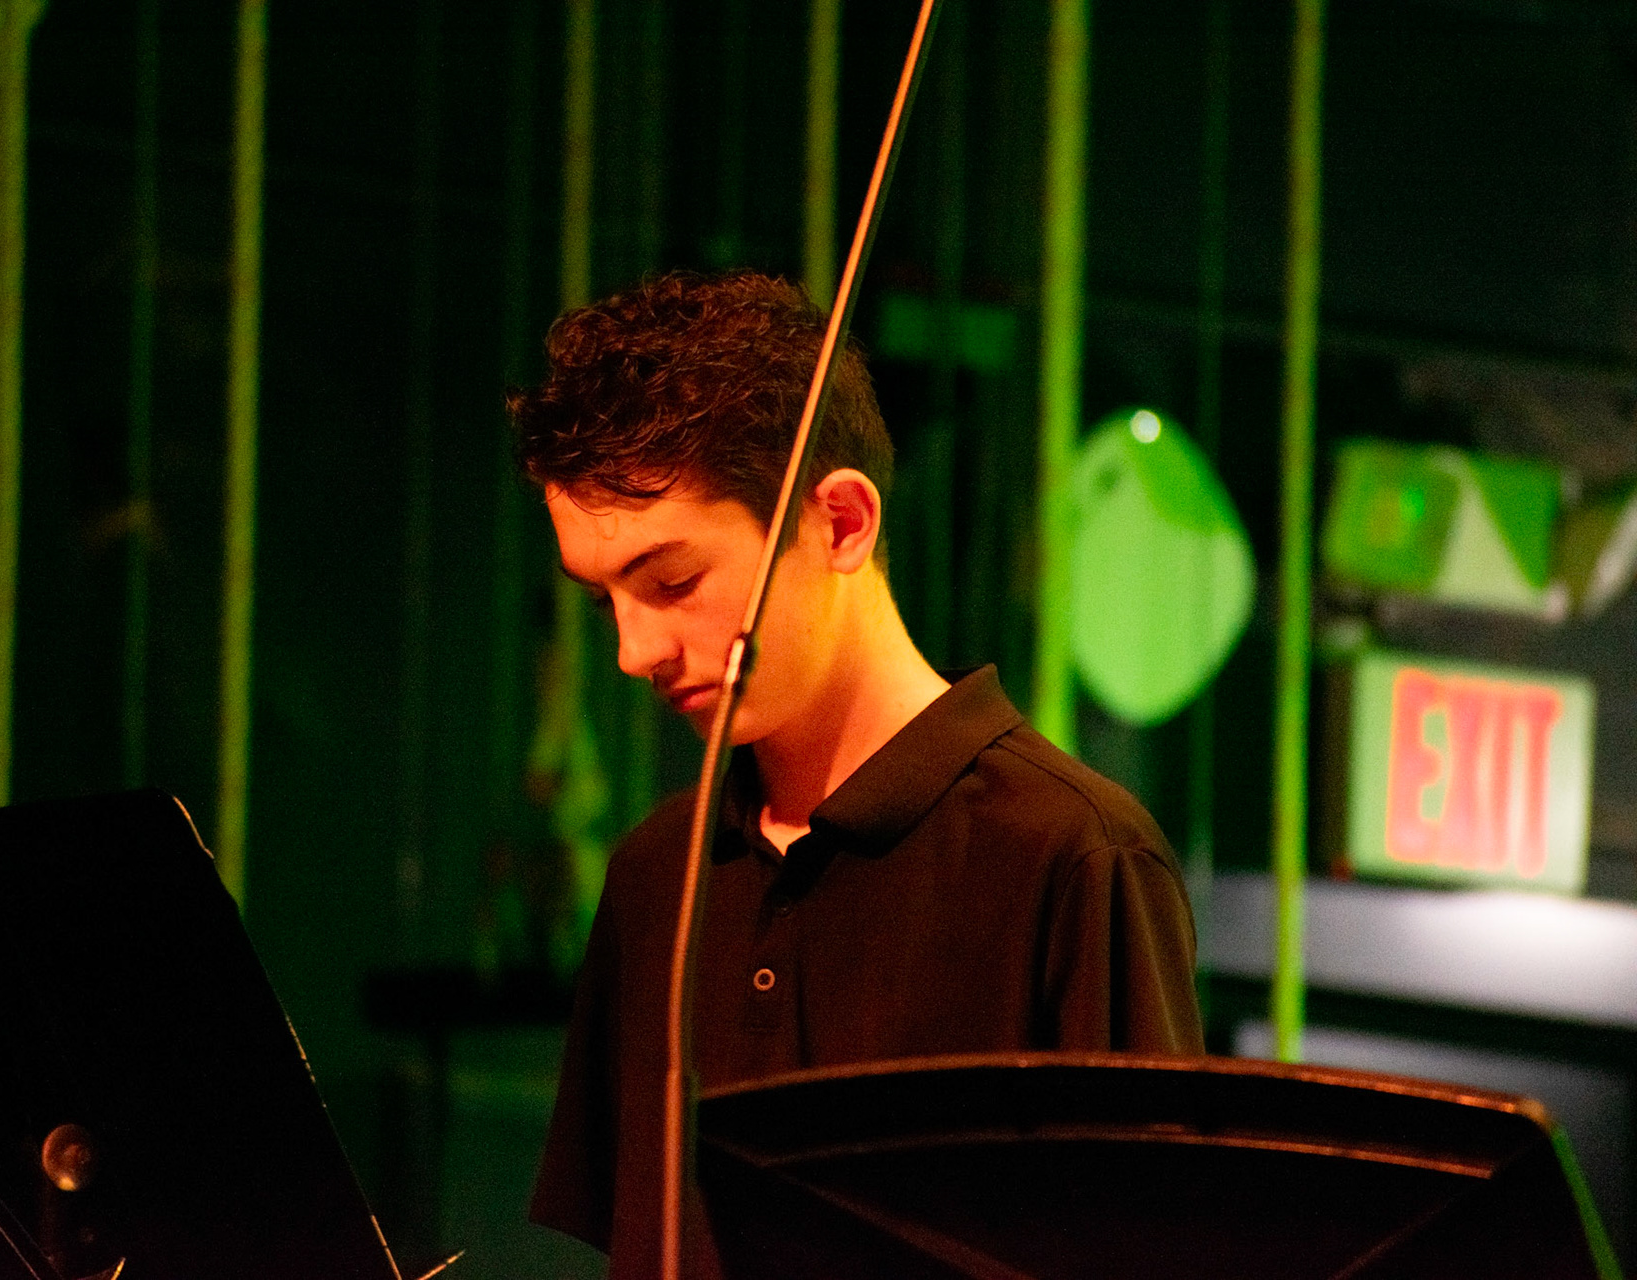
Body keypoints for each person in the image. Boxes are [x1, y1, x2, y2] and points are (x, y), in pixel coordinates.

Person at [510, 271, 1203, 1276]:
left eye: (672, 581)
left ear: (841, 522)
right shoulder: (658, 873)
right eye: (603, 598)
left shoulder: (1075, 856)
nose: (633, 650)